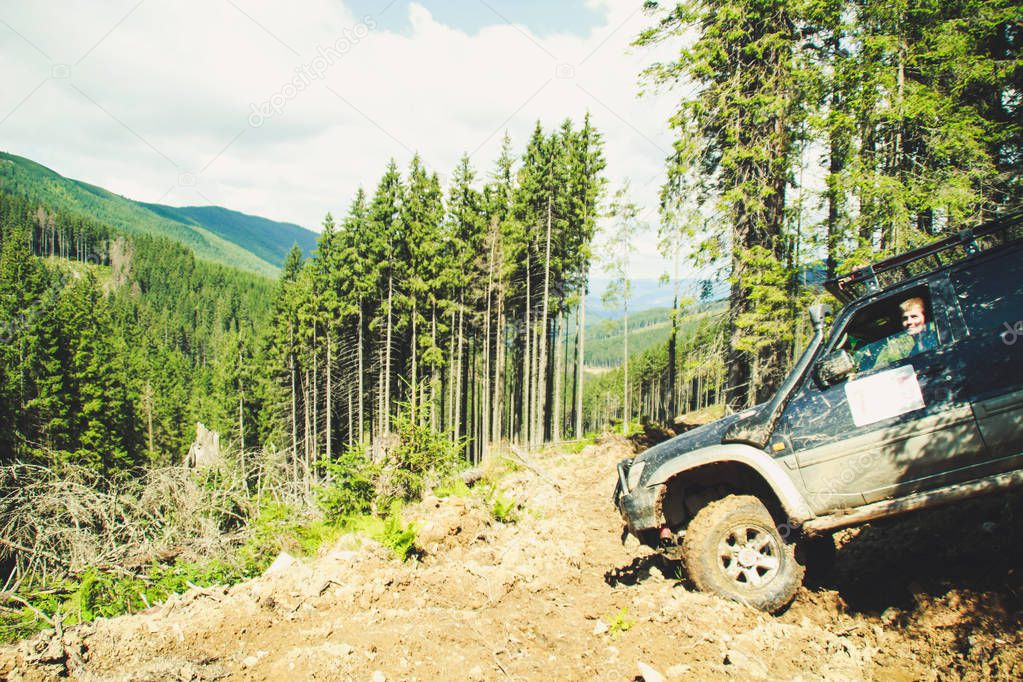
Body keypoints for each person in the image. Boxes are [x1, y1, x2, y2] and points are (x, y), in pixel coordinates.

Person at [871, 296, 937, 368]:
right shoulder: (912, 349)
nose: (909, 322)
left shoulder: (936, 338)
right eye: (905, 318)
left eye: (914, 316)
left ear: (925, 318)